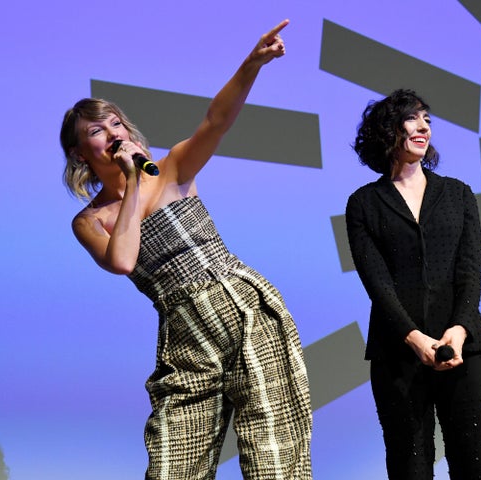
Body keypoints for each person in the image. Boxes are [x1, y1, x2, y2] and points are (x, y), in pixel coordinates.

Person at [59, 20, 312, 480]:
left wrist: (252, 64)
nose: (112, 132)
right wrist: (134, 181)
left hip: (244, 308)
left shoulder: (172, 168)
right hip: (185, 336)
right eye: (98, 129)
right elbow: (122, 260)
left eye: (116, 122)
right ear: (80, 153)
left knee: (277, 463)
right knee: (173, 468)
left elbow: (216, 121)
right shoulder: (90, 221)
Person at [345, 89, 481, 479]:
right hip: (397, 352)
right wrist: (414, 337)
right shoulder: (364, 203)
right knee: (409, 466)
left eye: (427, 119)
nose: (423, 126)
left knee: (475, 465)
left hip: (465, 347)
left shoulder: (459, 194)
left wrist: (458, 331)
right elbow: (376, 281)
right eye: (412, 118)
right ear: (387, 130)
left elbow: (470, 271)